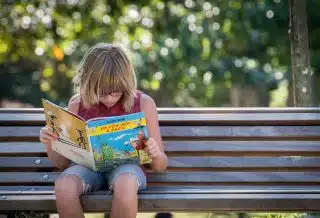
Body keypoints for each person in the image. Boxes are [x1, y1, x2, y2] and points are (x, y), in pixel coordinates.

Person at [39, 43, 168, 218]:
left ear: (127, 83)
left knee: (126, 183)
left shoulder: (143, 103)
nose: (108, 99)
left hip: (127, 169)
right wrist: (51, 141)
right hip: (86, 168)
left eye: (116, 93)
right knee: (64, 186)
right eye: (101, 93)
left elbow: (160, 165)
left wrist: (154, 153)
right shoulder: (77, 104)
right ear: (87, 83)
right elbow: (61, 163)